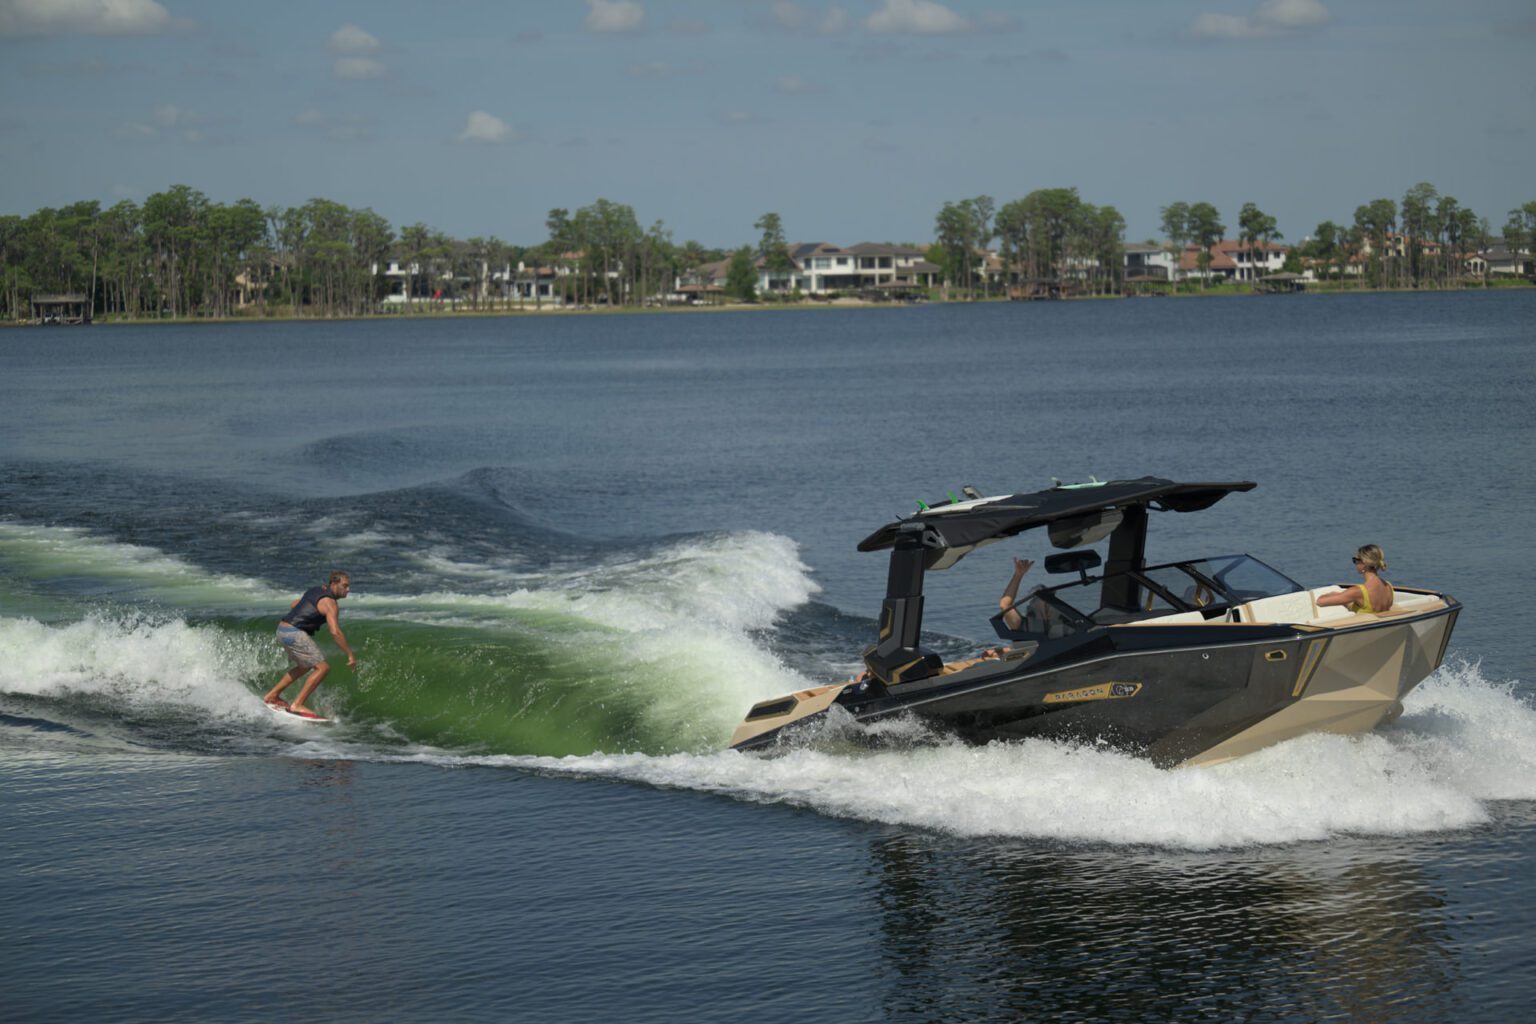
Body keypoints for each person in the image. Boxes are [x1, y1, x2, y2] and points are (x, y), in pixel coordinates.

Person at [264, 571, 356, 718]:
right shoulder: (331, 603)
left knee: (305, 666)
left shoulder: (316, 590)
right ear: (334, 583)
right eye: (345, 586)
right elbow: (335, 632)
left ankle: (272, 696)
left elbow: (294, 604)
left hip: (282, 629)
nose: (348, 589)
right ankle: (297, 705)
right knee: (323, 668)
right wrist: (350, 654)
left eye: (349, 586)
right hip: (294, 633)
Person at [1316, 544, 1394, 614]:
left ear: (1364, 564)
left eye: (1355, 560)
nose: (1355, 563)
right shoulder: (1388, 587)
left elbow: (1320, 602)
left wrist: (1333, 595)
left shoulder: (1358, 591)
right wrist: (1347, 601)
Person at [998, 557, 1037, 631]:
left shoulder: (1063, 620)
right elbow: (1005, 605)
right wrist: (1018, 575)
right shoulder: (1026, 626)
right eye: (1036, 600)